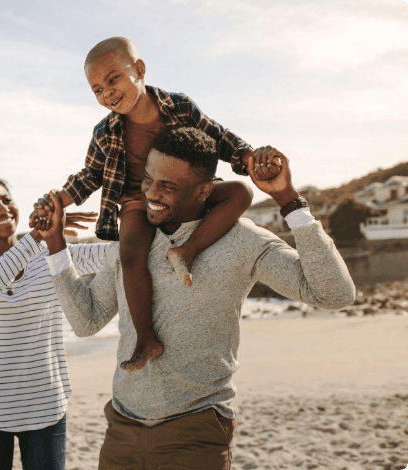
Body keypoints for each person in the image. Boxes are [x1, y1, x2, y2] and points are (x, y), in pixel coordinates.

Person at [34, 127, 355, 469]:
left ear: (204, 190)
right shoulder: (133, 240)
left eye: (167, 186)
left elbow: (334, 293)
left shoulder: (241, 240)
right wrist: (56, 244)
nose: (151, 194)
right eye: (148, 179)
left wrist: (288, 199)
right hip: (123, 430)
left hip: (196, 432)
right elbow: (87, 321)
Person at [30, 37, 281, 372]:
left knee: (240, 194)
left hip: (186, 193)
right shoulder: (104, 132)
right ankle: (145, 337)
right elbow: (90, 175)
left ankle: (187, 251)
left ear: (139, 70)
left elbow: (220, 138)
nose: (107, 94)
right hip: (140, 200)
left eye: (113, 80)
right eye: (96, 90)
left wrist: (251, 158)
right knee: (130, 251)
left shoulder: (179, 107)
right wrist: (58, 199)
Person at [0, 167, 106, 470]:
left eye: (6, 199)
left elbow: (116, 255)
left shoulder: (52, 253)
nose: (3, 209)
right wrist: (37, 237)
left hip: (46, 405)